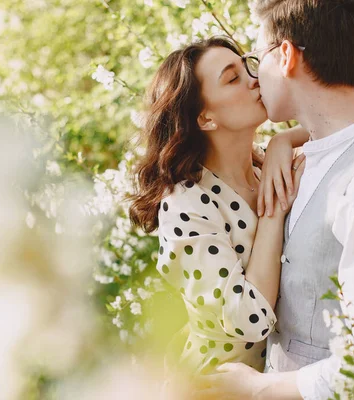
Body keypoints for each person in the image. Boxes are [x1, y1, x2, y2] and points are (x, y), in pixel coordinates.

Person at [197, 0, 354, 399]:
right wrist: (283, 139)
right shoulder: (310, 153)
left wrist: (257, 389)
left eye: (256, 57)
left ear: (285, 56)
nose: (254, 76)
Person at [128, 37, 309, 393]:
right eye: (232, 78)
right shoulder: (186, 204)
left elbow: (337, 120)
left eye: (247, 67)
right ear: (206, 118)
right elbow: (250, 319)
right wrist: (274, 209)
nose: (254, 79)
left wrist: (281, 141)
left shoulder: (264, 166)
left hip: (277, 380)